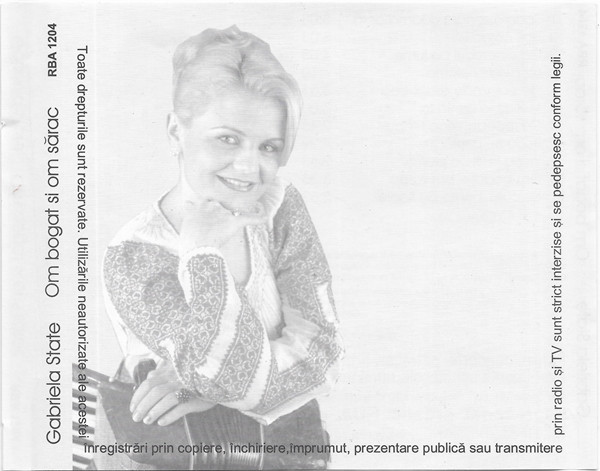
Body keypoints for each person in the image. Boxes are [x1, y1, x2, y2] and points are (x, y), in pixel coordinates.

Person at [96, 25, 343, 469]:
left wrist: (209, 384)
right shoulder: (133, 256)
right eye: (227, 138)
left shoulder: (280, 207)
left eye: (269, 147)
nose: (249, 167)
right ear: (176, 131)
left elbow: (324, 356)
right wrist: (202, 250)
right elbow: (225, 374)